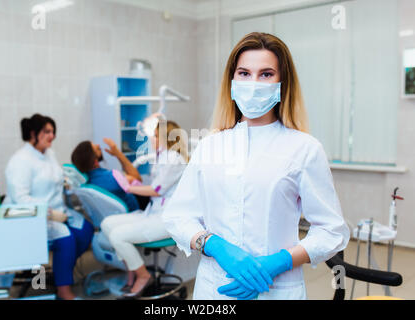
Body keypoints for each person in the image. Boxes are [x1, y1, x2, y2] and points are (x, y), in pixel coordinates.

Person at [162, 32, 350, 300]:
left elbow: (332, 231)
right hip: (214, 288)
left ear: (282, 82)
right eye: (244, 73)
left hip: (276, 288)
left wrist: (280, 262)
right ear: (232, 80)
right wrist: (213, 245)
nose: (253, 83)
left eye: (266, 74)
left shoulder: (305, 149)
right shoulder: (210, 146)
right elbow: (178, 215)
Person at [4, 114, 94, 300]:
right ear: (33, 133)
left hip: (58, 210)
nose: (52, 136)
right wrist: (51, 214)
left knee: (85, 230)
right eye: (47, 132)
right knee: (66, 239)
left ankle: (62, 272)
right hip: (34, 217)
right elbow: (20, 198)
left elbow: (56, 178)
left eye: (53, 131)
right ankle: (64, 290)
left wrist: (68, 183)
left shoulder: (48, 153)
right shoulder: (21, 161)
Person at [100, 118, 188, 298]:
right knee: (107, 224)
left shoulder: (174, 158)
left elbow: (156, 190)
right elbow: (156, 184)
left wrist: (128, 187)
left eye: (155, 136)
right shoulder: (162, 157)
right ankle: (131, 269)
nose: (152, 140)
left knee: (118, 235)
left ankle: (142, 275)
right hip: (153, 212)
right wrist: (134, 182)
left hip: (167, 219)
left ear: (166, 137)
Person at [71, 138, 142, 212]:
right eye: (97, 148)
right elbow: (137, 178)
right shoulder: (113, 177)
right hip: (134, 213)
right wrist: (118, 154)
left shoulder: (86, 183)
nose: (98, 145)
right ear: (95, 161)